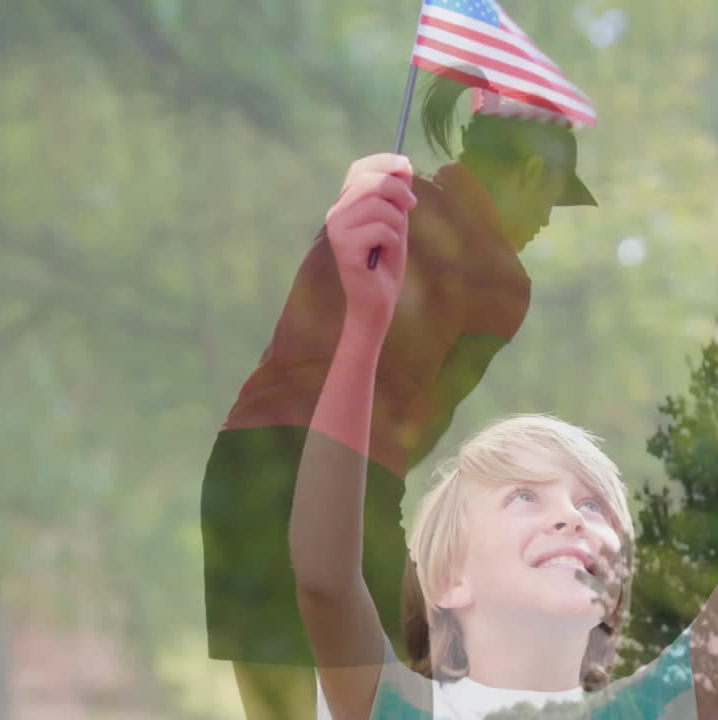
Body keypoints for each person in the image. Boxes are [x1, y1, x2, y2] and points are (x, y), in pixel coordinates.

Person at [293, 155, 718, 720]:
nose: (572, 518)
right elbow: (324, 577)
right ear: (448, 579)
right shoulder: (397, 709)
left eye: (594, 506)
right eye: (523, 496)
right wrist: (362, 324)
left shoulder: (657, 709)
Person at [201, 75, 599, 720]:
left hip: (240, 459)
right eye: (553, 197)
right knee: (401, 696)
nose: (548, 218)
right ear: (529, 172)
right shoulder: (502, 282)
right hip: (347, 469)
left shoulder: (377, 206)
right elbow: (423, 423)